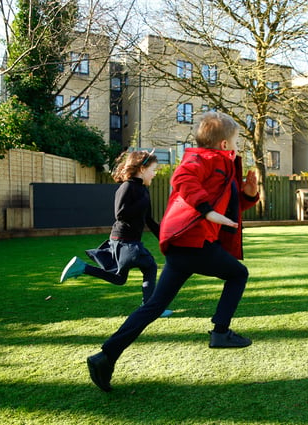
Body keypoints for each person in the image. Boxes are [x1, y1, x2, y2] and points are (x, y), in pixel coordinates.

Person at [86, 111, 259, 392]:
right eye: (237, 141)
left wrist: (249, 193)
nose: (238, 147)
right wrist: (206, 211)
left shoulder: (221, 167)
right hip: (193, 241)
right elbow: (183, 178)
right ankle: (220, 332)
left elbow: (227, 206)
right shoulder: (200, 158)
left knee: (154, 306)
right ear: (225, 145)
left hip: (183, 246)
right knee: (238, 274)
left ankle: (105, 356)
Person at [59, 150, 172, 318]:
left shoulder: (143, 191)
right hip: (123, 240)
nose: (155, 174)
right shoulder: (127, 187)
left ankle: (82, 267)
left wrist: (164, 240)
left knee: (119, 279)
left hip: (128, 240)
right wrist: (142, 202)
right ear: (142, 169)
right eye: (153, 170)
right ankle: (150, 307)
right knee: (150, 265)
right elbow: (120, 213)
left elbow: (148, 220)